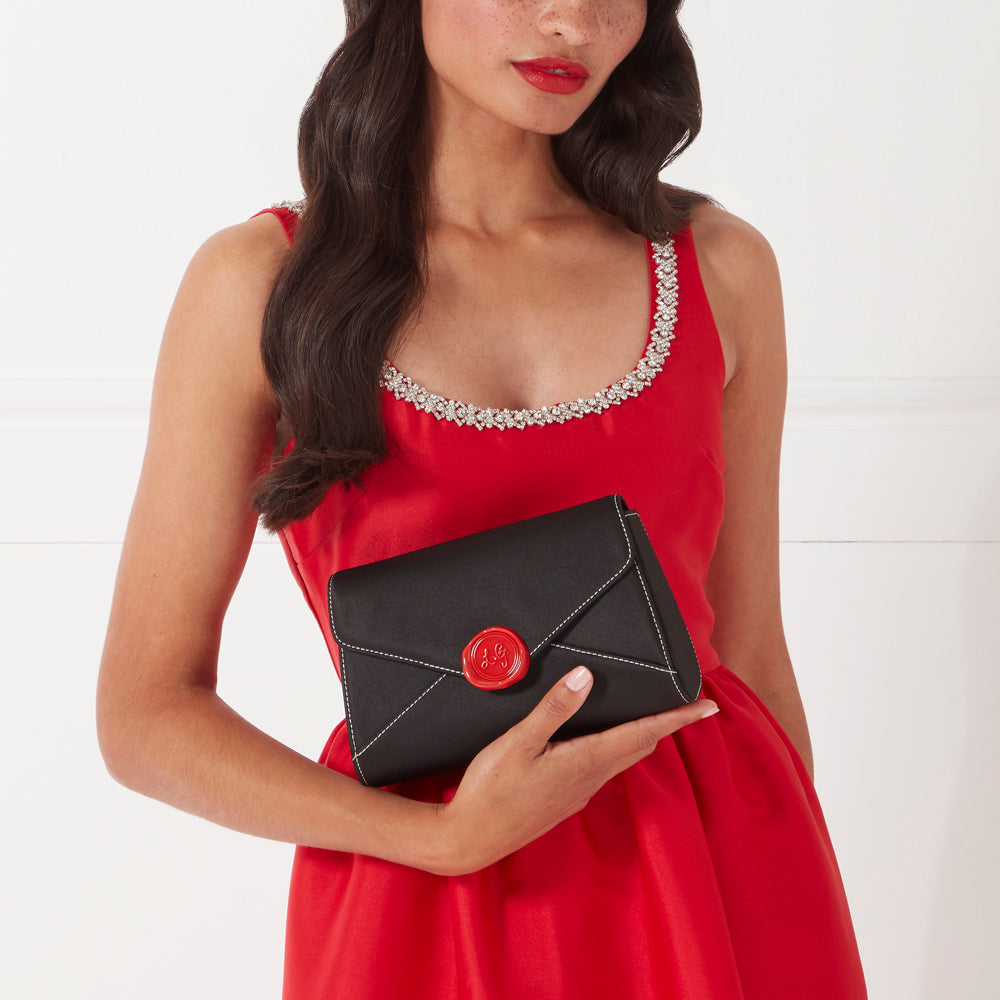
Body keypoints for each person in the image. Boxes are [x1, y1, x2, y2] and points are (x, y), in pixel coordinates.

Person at [96, 0, 869, 997]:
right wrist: (438, 838)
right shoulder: (265, 282)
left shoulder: (718, 268)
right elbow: (144, 712)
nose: (573, 23)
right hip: (419, 900)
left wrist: (785, 901)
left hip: (708, 884)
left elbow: (751, 656)